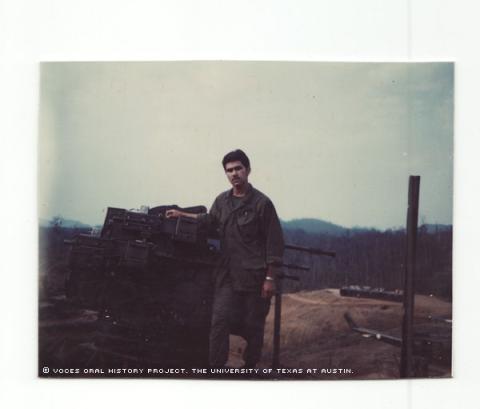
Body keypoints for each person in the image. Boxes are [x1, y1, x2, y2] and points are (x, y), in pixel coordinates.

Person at [166, 149, 284, 368]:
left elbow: (274, 243)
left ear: (248, 170)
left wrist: (269, 278)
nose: (234, 174)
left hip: (254, 277)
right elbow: (210, 220)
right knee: (219, 322)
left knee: (253, 326)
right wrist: (182, 215)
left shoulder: (262, 204)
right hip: (227, 275)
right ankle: (216, 371)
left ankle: (249, 370)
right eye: (229, 170)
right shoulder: (222, 200)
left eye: (238, 168)